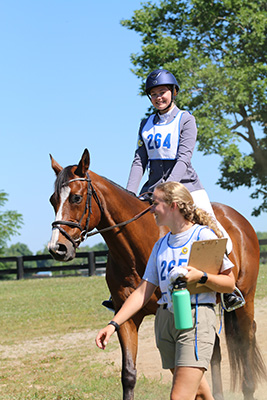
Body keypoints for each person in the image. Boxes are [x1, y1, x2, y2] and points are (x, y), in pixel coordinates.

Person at [96, 181, 236, 400]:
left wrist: (202, 277)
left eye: (155, 203)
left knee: (179, 397)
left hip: (195, 319)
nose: (150, 209)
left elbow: (229, 283)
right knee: (199, 392)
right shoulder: (161, 245)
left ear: (174, 206)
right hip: (166, 323)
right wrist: (113, 324)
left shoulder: (203, 236)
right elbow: (143, 292)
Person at [125, 68, 243, 310]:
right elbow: (139, 161)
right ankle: (123, 284)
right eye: (154, 94)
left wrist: (165, 190)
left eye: (163, 92)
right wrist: (130, 193)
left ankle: (232, 289)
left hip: (186, 186)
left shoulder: (186, 120)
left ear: (173, 92)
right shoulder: (145, 124)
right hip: (153, 189)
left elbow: (184, 158)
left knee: (218, 232)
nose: (159, 97)